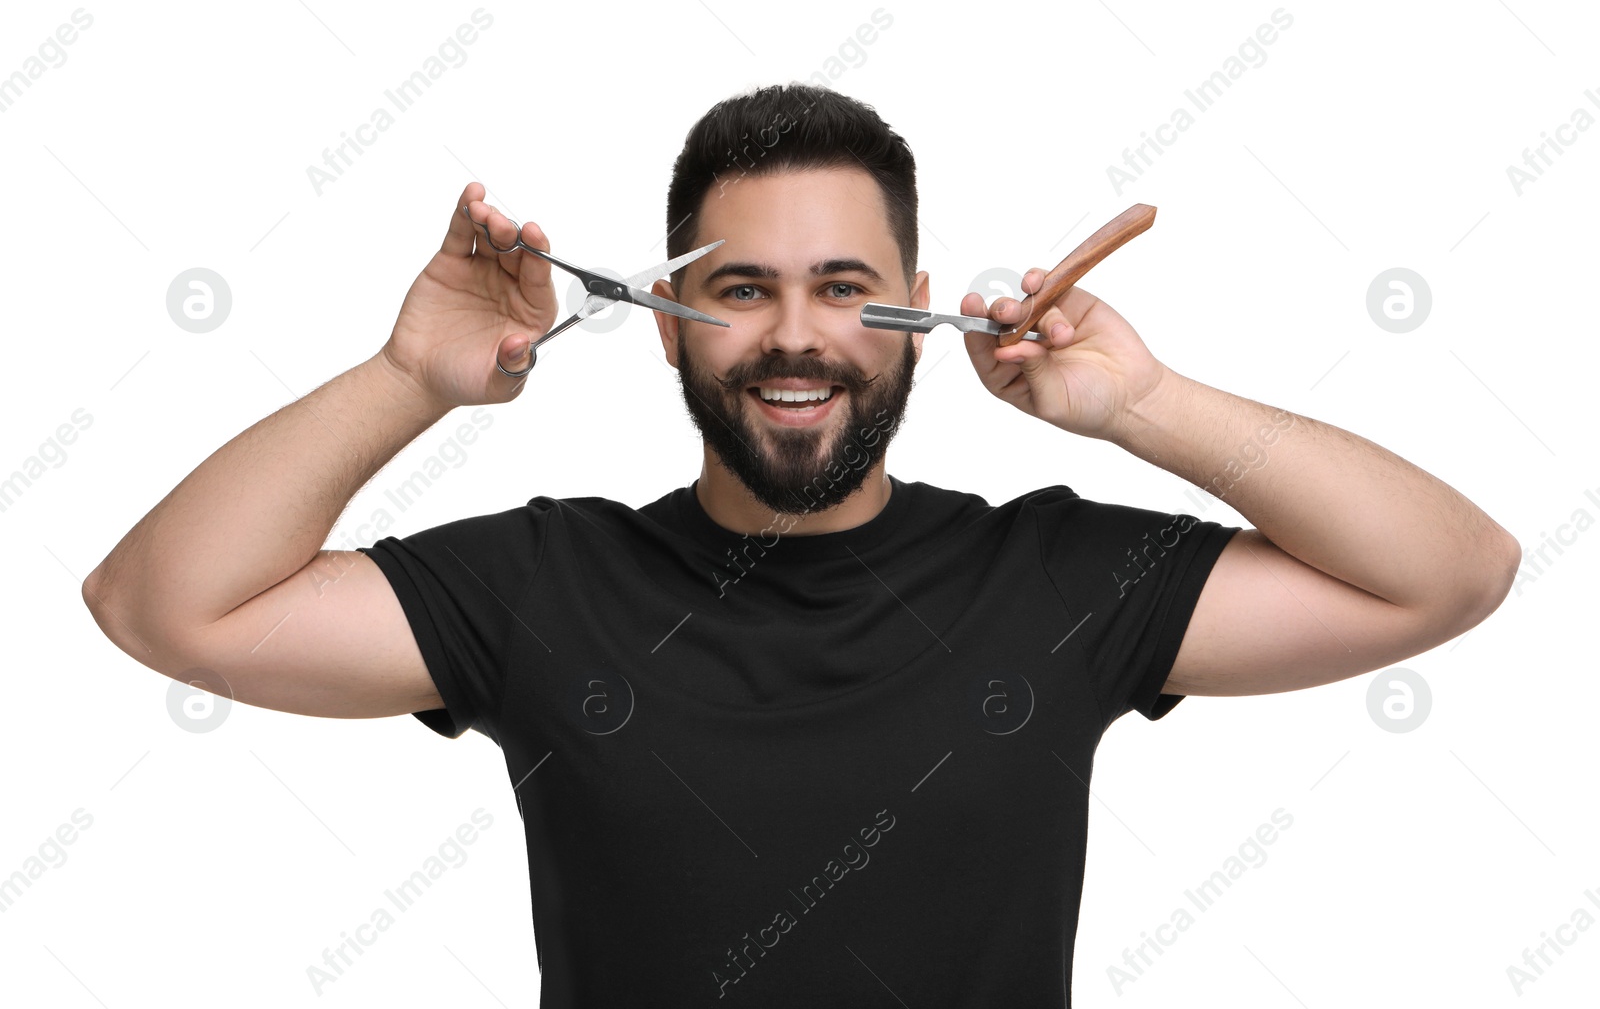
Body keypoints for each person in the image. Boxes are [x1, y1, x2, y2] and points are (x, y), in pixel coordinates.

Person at [82, 83, 1520, 1006]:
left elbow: (1449, 571)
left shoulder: (1057, 580)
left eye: (844, 287)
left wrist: (1146, 404)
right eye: (742, 289)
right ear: (662, 321)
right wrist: (404, 378)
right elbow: (165, 607)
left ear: (924, 308)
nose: (794, 335)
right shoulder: (540, 583)